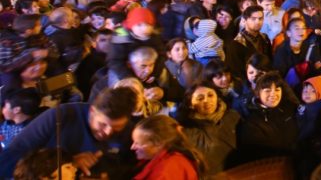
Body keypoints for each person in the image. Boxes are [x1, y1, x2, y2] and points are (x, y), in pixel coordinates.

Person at [0, 87, 137, 178]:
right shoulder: (61, 116)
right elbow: (10, 159)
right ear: (92, 112)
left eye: (117, 127)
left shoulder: (130, 132)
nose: (107, 132)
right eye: (102, 124)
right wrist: (69, 163)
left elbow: (128, 166)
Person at [175, 83, 240, 176]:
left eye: (210, 95)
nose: (206, 100)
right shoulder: (185, 130)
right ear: (190, 104)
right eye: (200, 98)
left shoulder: (232, 116)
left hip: (240, 172)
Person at [130, 114, 205, 180]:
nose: (132, 147)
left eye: (138, 143)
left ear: (158, 143)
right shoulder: (173, 158)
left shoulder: (165, 173)